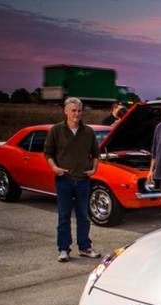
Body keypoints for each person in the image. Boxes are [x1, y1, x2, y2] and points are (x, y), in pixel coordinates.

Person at [44, 97, 101, 263]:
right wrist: (54, 168)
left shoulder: (88, 131)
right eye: (73, 110)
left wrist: (94, 169)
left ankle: (85, 248)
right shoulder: (56, 130)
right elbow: (48, 153)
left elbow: (95, 153)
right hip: (64, 180)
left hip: (83, 180)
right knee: (64, 216)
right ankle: (63, 249)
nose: (77, 113)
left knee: (83, 216)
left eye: (79, 110)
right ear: (66, 111)